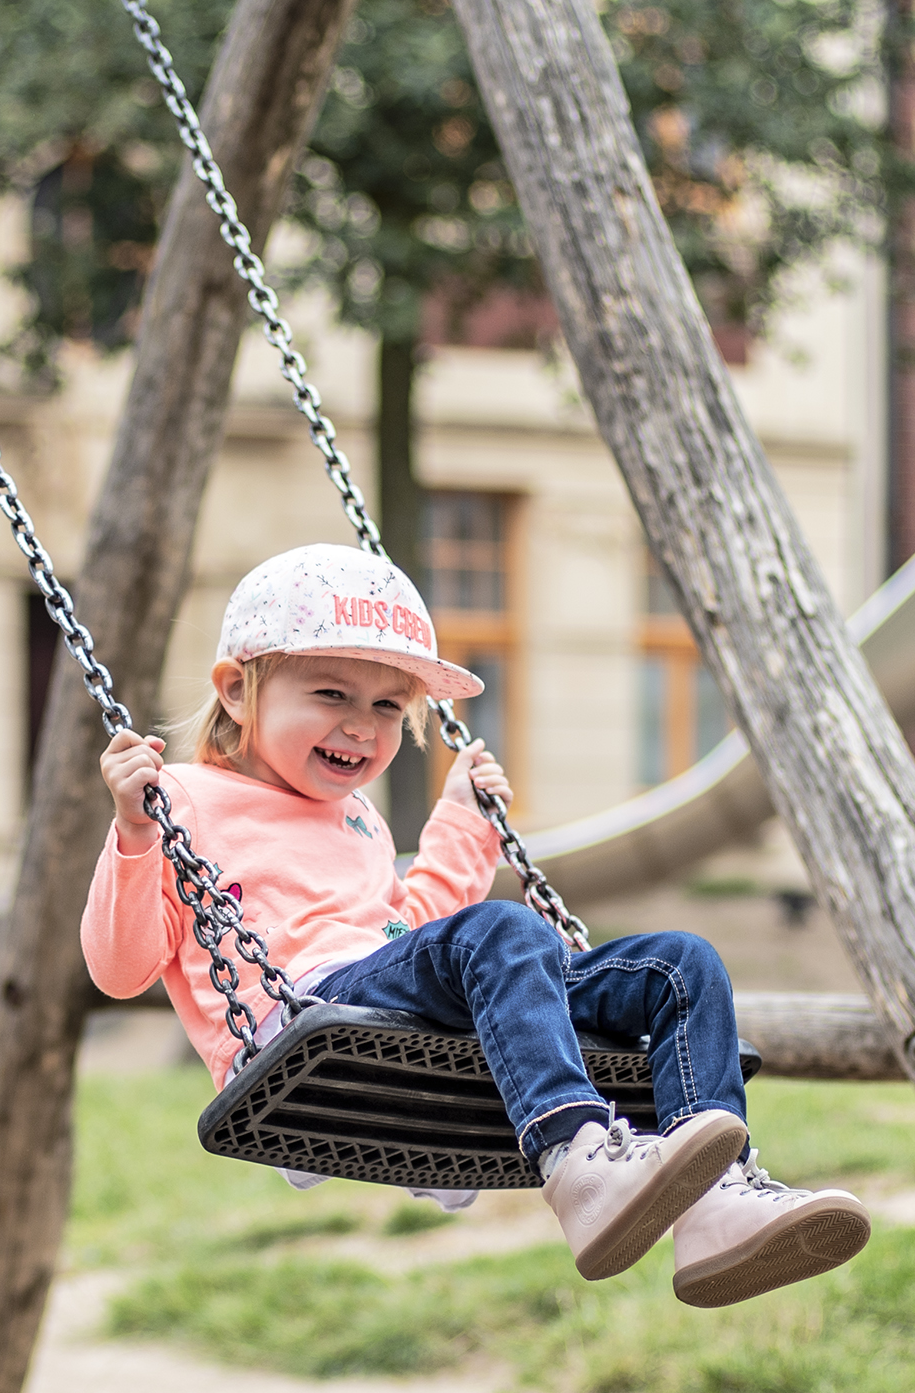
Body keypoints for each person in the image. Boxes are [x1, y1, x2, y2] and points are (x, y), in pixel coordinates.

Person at [84, 545, 869, 1307]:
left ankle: (717, 1205)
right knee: (501, 929)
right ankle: (577, 1159)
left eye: (387, 706)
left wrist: (462, 823)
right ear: (234, 690)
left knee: (678, 964)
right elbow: (121, 969)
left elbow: (412, 937)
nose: (362, 726)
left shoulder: (352, 816)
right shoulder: (178, 798)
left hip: (388, 989)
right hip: (303, 1012)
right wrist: (133, 833)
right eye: (331, 695)